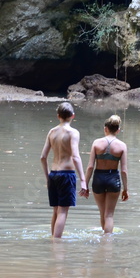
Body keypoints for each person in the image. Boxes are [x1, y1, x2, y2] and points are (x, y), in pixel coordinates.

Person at [40, 102, 86, 238]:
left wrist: (47, 176)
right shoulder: (73, 133)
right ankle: (57, 244)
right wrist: (83, 180)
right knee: (62, 212)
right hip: (66, 174)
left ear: (58, 116)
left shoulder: (52, 132)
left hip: (53, 174)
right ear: (73, 116)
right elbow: (76, 157)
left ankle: (53, 240)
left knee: (55, 211)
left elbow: (43, 157)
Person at [81, 114, 129, 234]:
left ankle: (103, 241)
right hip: (113, 179)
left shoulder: (96, 143)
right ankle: (107, 242)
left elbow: (90, 166)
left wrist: (85, 185)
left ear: (105, 129)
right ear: (118, 130)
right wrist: (126, 189)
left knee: (102, 213)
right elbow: (123, 170)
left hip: (98, 178)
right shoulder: (122, 146)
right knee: (109, 215)